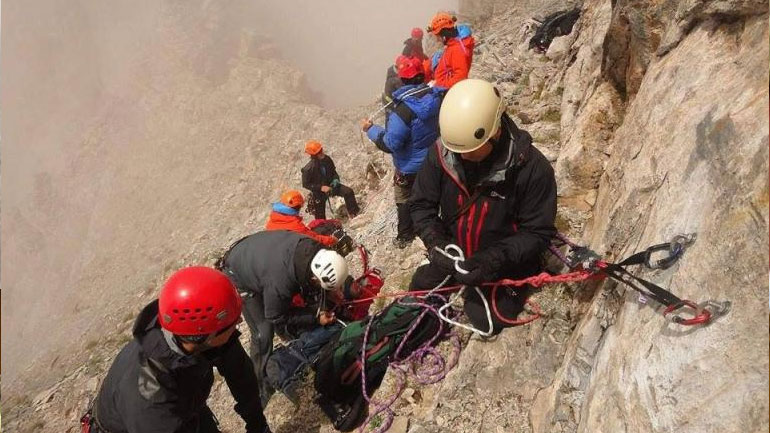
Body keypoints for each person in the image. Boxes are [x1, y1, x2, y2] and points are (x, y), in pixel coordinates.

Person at [408, 78, 557, 335]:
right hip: (456, 255)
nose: (462, 157)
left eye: (472, 150)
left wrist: (494, 260)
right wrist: (436, 243)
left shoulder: (532, 169)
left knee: (487, 319)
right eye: (457, 150)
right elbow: (421, 205)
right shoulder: (443, 154)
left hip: (503, 262)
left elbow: (538, 233)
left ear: (496, 131)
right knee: (419, 289)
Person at [91, 267, 271, 433]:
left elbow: (240, 375)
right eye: (232, 322)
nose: (239, 321)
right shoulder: (150, 396)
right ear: (204, 336)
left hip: (186, 402)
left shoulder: (205, 334)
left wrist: (258, 425)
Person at [217, 230, 349, 405]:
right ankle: (260, 386)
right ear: (313, 277)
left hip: (259, 254)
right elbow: (275, 316)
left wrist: (332, 292)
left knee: (301, 304)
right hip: (238, 272)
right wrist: (316, 317)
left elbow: (313, 285)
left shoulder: (316, 252)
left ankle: (297, 342)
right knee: (263, 332)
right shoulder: (280, 283)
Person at [360, 56, 442, 249]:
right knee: (431, 194)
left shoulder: (402, 111)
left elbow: (391, 143)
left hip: (409, 167)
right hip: (433, 159)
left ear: (401, 80)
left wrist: (371, 129)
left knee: (404, 198)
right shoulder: (434, 97)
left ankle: (405, 236)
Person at [301, 140, 360, 219]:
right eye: (319, 152)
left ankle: (354, 214)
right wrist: (321, 187)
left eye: (321, 150)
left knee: (348, 192)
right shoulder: (308, 169)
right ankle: (322, 228)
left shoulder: (327, 159)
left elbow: (333, 172)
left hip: (331, 185)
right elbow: (306, 184)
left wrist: (336, 179)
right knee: (320, 216)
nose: (322, 152)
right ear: (314, 155)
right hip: (319, 192)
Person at [265, 189, 337, 247]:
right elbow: (315, 238)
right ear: (298, 208)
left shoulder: (273, 218)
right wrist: (332, 240)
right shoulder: (296, 226)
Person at [426, 12, 475, 90]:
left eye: (438, 36)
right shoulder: (453, 45)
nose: (438, 40)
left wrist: (437, 84)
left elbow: (460, 79)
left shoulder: (457, 49)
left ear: (444, 34)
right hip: (445, 89)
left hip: (449, 92)